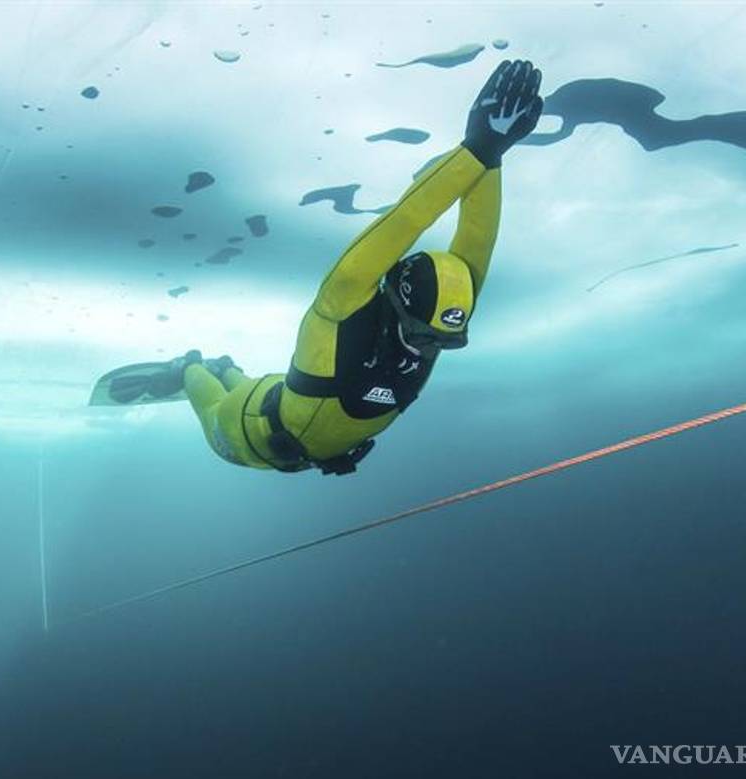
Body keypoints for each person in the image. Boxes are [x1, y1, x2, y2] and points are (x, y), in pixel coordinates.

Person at [103, 60, 543, 475]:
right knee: (216, 407)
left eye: (442, 339)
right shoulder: (344, 299)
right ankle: (190, 369)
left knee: (249, 382)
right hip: (248, 435)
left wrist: (492, 154)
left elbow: (477, 242)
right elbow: (404, 222)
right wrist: (474, 150)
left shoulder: (445, 317)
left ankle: (225, 368)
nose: (426, 347)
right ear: (396, 299)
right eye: (423, 334)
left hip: (292, 394)